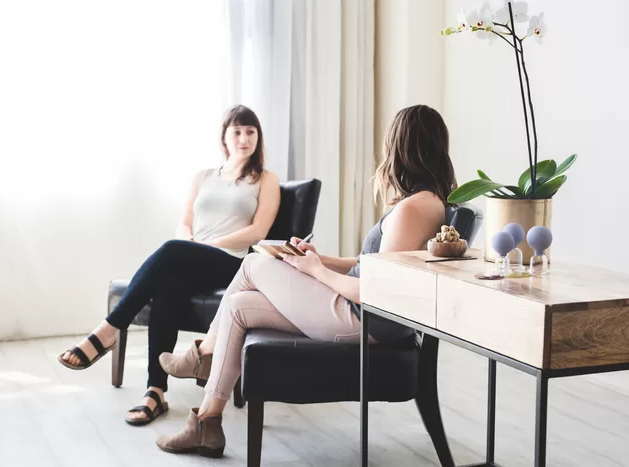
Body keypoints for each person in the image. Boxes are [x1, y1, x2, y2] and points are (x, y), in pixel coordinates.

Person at [155, 104, 458, 458]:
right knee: (238, 306)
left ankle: (202, 354)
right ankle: (206, 424)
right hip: (360, 314)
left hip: (363, 320)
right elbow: (371, 267)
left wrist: (316, 271)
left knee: (252, 264)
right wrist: (319, 258)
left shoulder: (411, 209)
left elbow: (376, 292)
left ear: (400, 147)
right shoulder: (428, 203)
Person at [57, 105, 281, 426]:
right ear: (224, 137)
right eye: (237, 131)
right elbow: (184, 223)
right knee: (168, 285)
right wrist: (187, 241)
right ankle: (155, 392)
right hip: (190, 258)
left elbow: (258, 232)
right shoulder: (203, 177)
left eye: (250, 132)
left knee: (173, 251)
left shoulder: (265, 179)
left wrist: (203, 246)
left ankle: (109, 329)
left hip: (231, 262)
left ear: (258, 138)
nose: (244, 138)